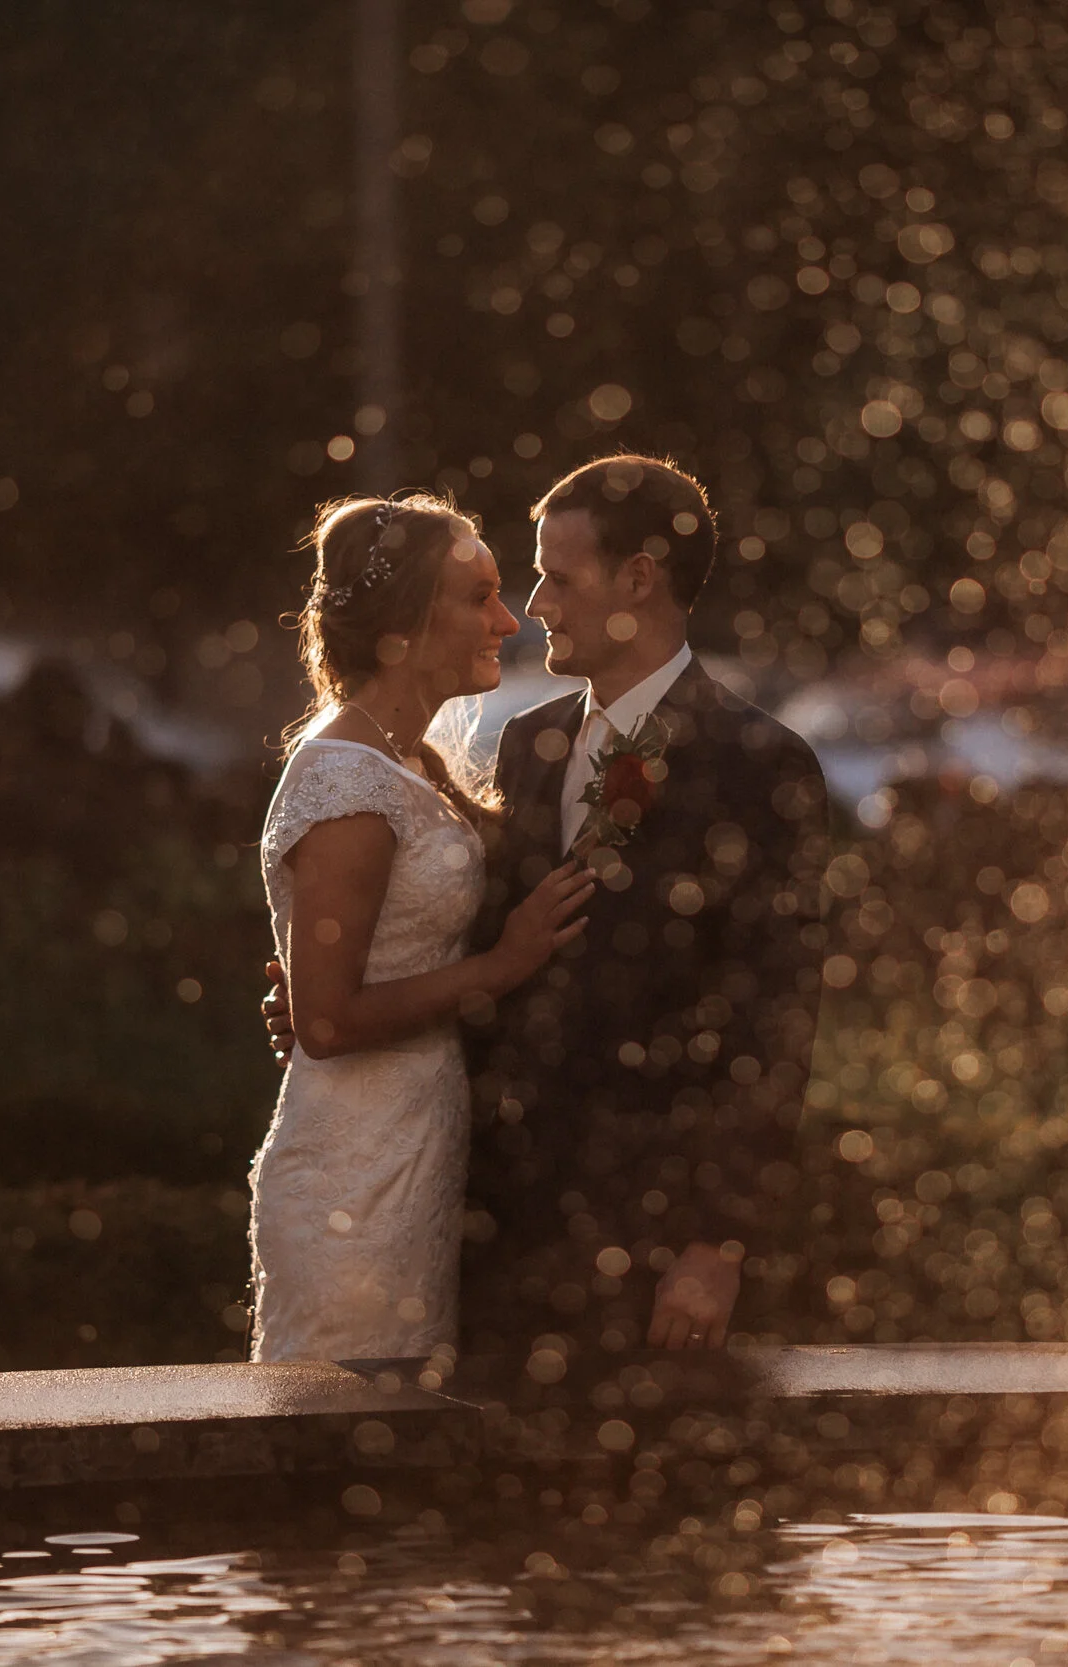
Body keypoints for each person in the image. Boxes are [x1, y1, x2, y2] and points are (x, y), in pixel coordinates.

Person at [268, 457, 829, 1362]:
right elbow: (478, 940)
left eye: (556, 578)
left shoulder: (759, 763)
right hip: (494, 1224)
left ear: (639, 579)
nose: (535, 605)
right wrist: (320, 998)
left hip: (652, 1238)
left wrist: (716, 1243)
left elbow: (774, 1024)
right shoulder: (531, 743)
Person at [247, 493, 595, 1363]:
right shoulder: (345, 780)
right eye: (477, 597)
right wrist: (503, 964)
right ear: (404, 622)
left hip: (413, 1147)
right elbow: (327, 1023)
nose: (507, 620)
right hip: (352, 1181)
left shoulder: (403, 763)